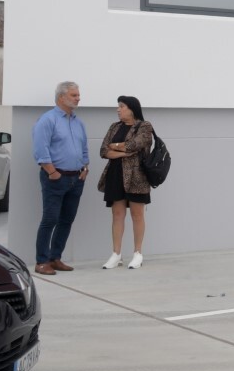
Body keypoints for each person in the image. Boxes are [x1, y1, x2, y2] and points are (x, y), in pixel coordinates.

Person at [32, 81, 89, 276]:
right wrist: (52, 172)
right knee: (50, 219)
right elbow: (40, 149)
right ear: (61, 97)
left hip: (76, 179)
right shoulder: (47, 120)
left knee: (66, 220)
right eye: (74, 95)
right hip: (55, 178)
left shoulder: (78, 122)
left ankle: (55, 258)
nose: (78, 98)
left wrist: (85, 167)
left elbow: (83, 147)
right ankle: (41, 261)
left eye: (78, 95)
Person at [98, 95, 156, 270]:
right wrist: (123, 152)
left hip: (137, 176)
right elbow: (103, 150)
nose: (118, 109)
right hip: (115, 174)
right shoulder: (114, 127)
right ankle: (116, 254)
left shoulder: (144, 126)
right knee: (117, 214)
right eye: (118, 106)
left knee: (137, 215)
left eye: (122, 106)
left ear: (132, 109)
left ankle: (138, 253)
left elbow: (134, 145)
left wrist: (115, 146)